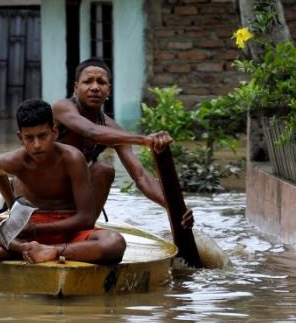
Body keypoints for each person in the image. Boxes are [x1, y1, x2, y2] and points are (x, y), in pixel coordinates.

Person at [0, 98, 126, 264]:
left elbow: (86, 219)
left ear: (54, 132)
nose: (37, 145)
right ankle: (19, 249)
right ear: (20, 138)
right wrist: (13, 206)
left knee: (114, 243)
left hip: (68, 233)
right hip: (23, 234)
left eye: (42, 136)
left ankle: (49, 251)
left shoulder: (72, 158)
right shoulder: (14, 160)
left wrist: (37, 229)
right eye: (29, 138)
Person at [52, 58, 193, 227]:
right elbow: (90, 131)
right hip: (44, 188)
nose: (95, 87)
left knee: (104, 170)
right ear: (76, 88)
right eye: (88, 82)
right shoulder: (62, 108)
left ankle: (83, 229)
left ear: (108, 90)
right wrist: (145, 139)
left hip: (76, 198)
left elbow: (140, 176)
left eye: (101, 82)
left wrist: (174, 207)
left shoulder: (113, 129)